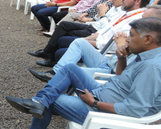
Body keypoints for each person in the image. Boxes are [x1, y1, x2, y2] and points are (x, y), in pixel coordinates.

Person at [5, 17, 161, 129]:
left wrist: (94, 103)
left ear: (147, 39)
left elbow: (135, 110)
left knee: (53, 100)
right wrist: (121, 59)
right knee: (70, 69)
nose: (127, 40)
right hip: (106, 93)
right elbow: (122, 78)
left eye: (132, 36)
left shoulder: (152, 67)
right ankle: (39, 102)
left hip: (111, 116)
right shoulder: (147, 54)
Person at [29, 5, 161, 81]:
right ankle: (53, 75)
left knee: (65, 61)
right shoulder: (126, 16)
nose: (140, 19)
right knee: (76, 41)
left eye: (144, 18)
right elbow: (108, 29)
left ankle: (50, 97)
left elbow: (122, 80)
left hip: (110, 68)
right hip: (108, 59)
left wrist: (95, 102)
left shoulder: (151, 54)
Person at [27, 0, 132, 61]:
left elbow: (106, 28)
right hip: (94, 26)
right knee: (64, 25)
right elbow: (98, 18)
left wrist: (101, 14)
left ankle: (52, 58)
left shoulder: (123, 12)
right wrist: (95, 16)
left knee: (64, 36)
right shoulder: (114, 7)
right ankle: (48, 52)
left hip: (96, 32)